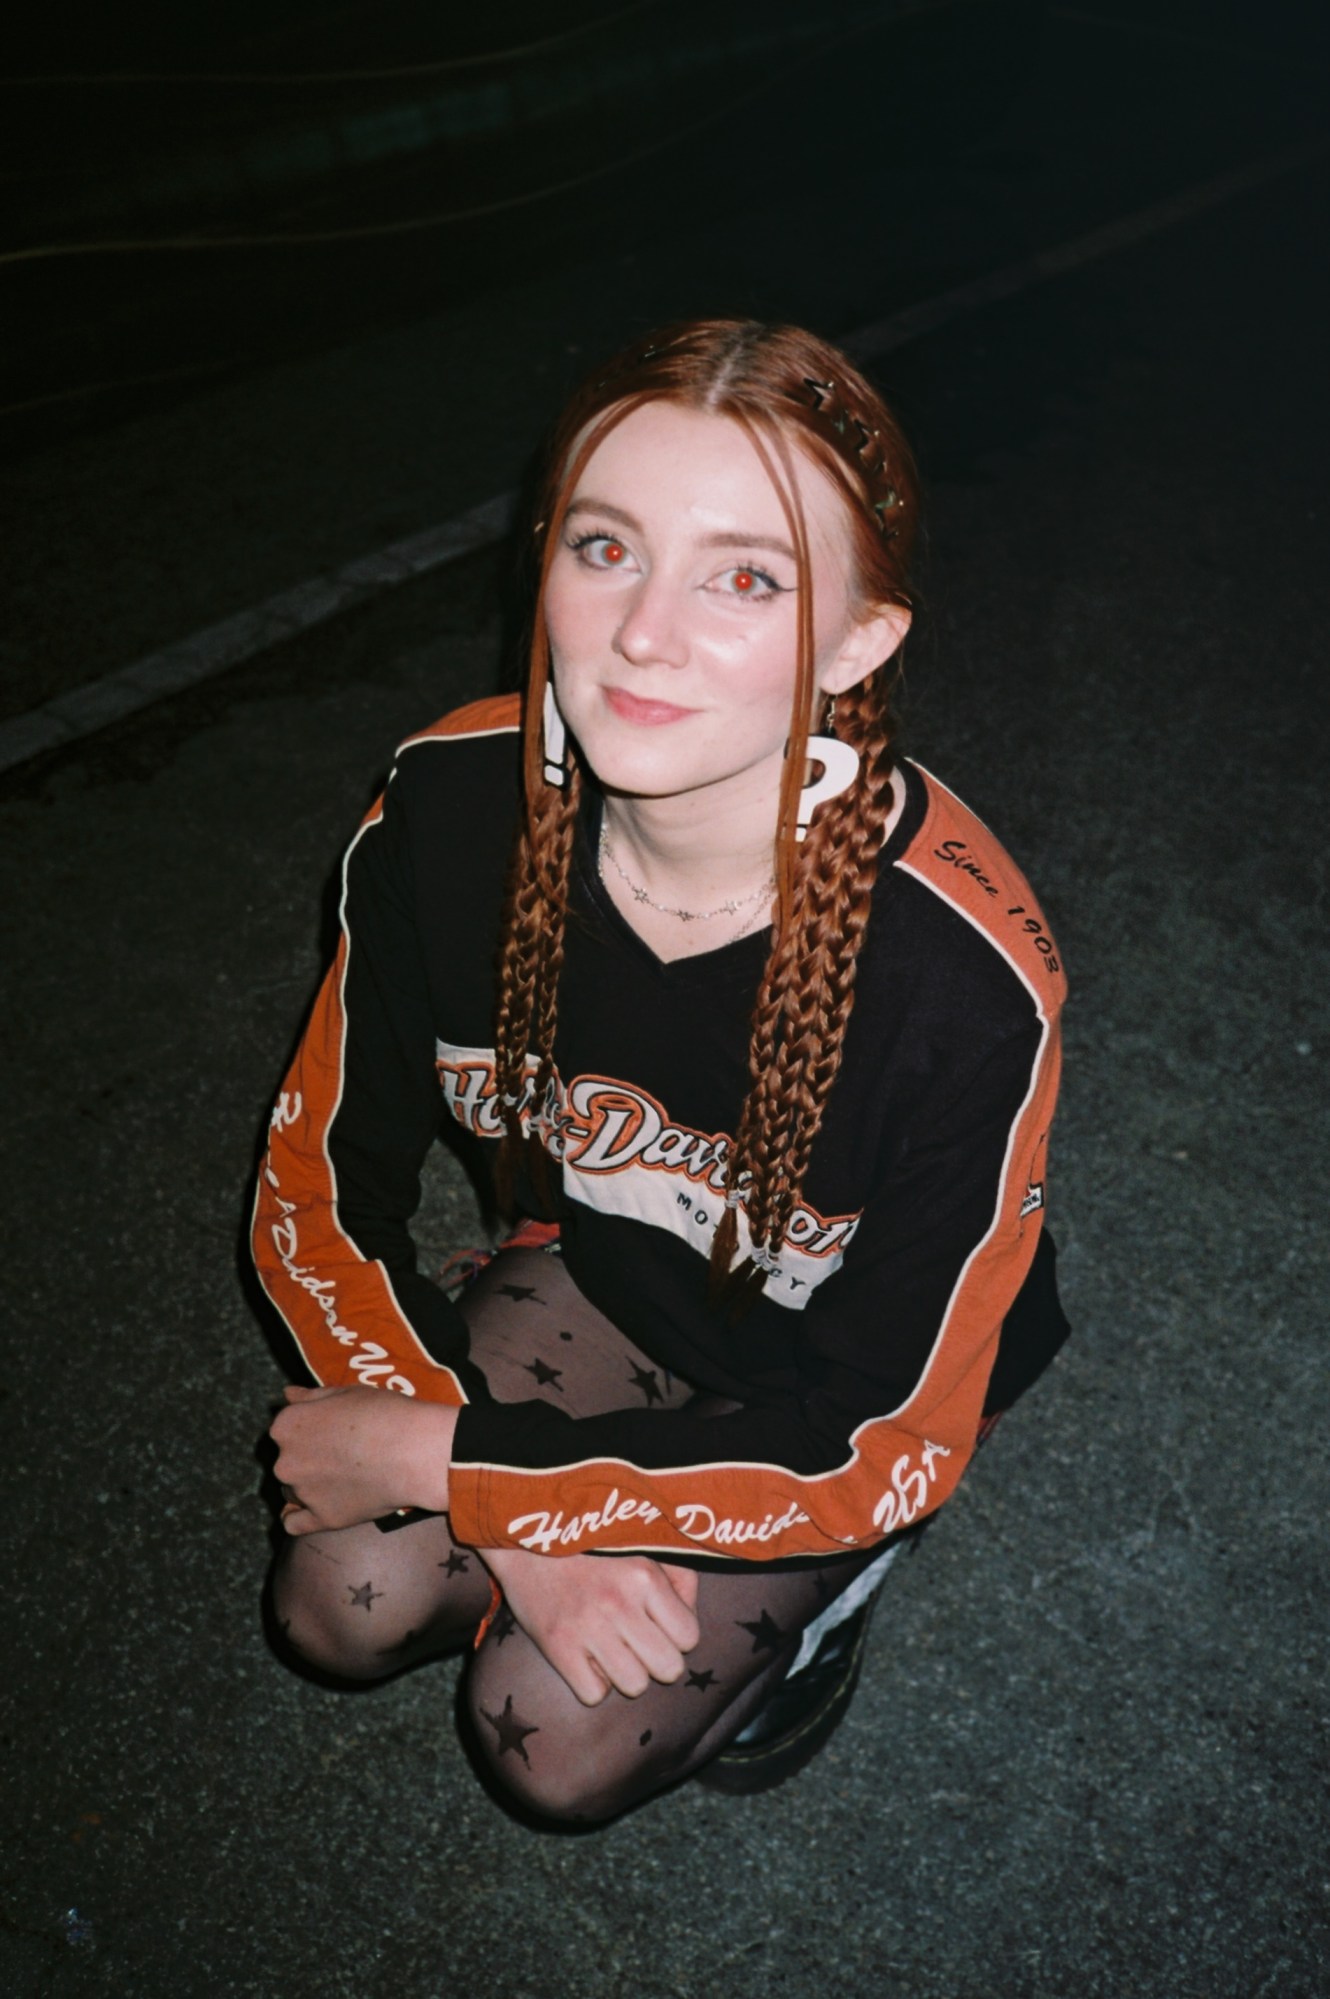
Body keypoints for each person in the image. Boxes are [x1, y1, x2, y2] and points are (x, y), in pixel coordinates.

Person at [256, 317, 1069, 1822]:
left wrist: (457, 1461)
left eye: (746, 578)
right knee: (341, 1598)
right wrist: (519, 1522)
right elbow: (316, 1182)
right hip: (607, 1276)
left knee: (553, 1745)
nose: (641, 632)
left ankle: (819, 1616)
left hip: (834, 1390)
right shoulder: (443, 809)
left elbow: (875, 1430)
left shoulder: (964, 986)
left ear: (858, 643)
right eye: (605, 547)